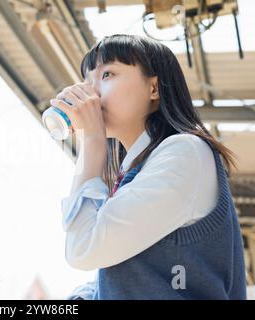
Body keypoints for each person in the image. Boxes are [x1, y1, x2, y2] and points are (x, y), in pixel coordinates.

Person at [52, 34, 246, 300]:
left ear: (154, 88)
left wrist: (92, 142)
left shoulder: (185, 152)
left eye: (107, 74)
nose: (92, 92)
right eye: (87, 81)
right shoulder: (138, 172)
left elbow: (84, 248)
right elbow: (121, 274)